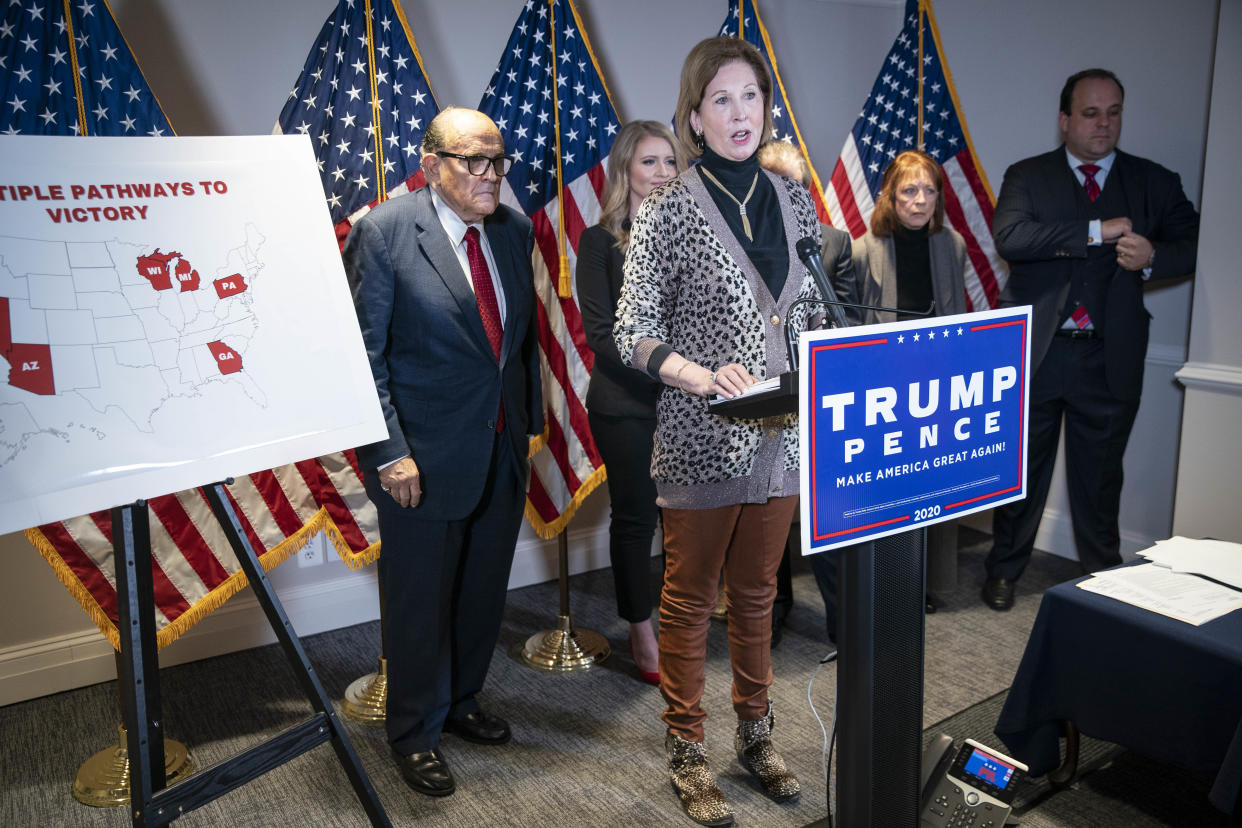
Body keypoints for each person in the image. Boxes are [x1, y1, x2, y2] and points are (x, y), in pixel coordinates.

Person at [614, 36, 823, 826]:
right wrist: (699, 375)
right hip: (702, 439)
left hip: (784, 438)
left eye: (752, 97)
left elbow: (808, 305)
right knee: (692, 598)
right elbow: (630, 329)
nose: (741, 113)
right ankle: (687, 748)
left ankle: (756, 736)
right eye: (722, 99)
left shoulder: (795, 198)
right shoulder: (668, 208)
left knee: (760, 594)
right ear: (695, 117)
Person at [343, 107, 543, 798]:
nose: (492, 176)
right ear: (431, 165)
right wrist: (389, 452)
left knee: (482, 591)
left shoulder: (514, 232)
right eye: (474, 161)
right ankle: (414, 732)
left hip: (499, 448)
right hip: (418, 464)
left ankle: (460, 702)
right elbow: (361, 359)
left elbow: (521, 344)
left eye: (499, 159)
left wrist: (530, 427)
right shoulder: (385, 232)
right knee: (420, 602)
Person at [982, 68, 1199, 611]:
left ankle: (1101, 581)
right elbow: (1011, 236)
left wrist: (1153, 260)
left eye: (1114, 112)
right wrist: (1093, 230)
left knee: (1100, 480)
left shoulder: (1154, 181)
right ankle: (1005, 569)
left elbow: (1197, 243)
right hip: (1039, 354)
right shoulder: (1028, 176)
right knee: (1020, 475)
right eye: (1090, 113)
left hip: (1110, 355)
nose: (1104, 124)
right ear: (1065, 120)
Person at [577, 120, 685, 684]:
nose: (663, 173)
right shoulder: (599, 242)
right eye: (650, 162)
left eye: (670, 161)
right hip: (627, 404)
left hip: (689, 403)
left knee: (685, 518)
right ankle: (641, 632)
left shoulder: (689, 236)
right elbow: (603, 335)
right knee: (638, 517)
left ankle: (677, 622)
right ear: (625, 171)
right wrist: (676, 372)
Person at [754, 140, 855, 647]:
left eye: (792, 185)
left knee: (828, 514)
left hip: (819, 399)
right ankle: (772, 613)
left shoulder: (833, 242)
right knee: (768, 515)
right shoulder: (737, 240)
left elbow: (850, 319)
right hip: (761, 399)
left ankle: (844, 625)